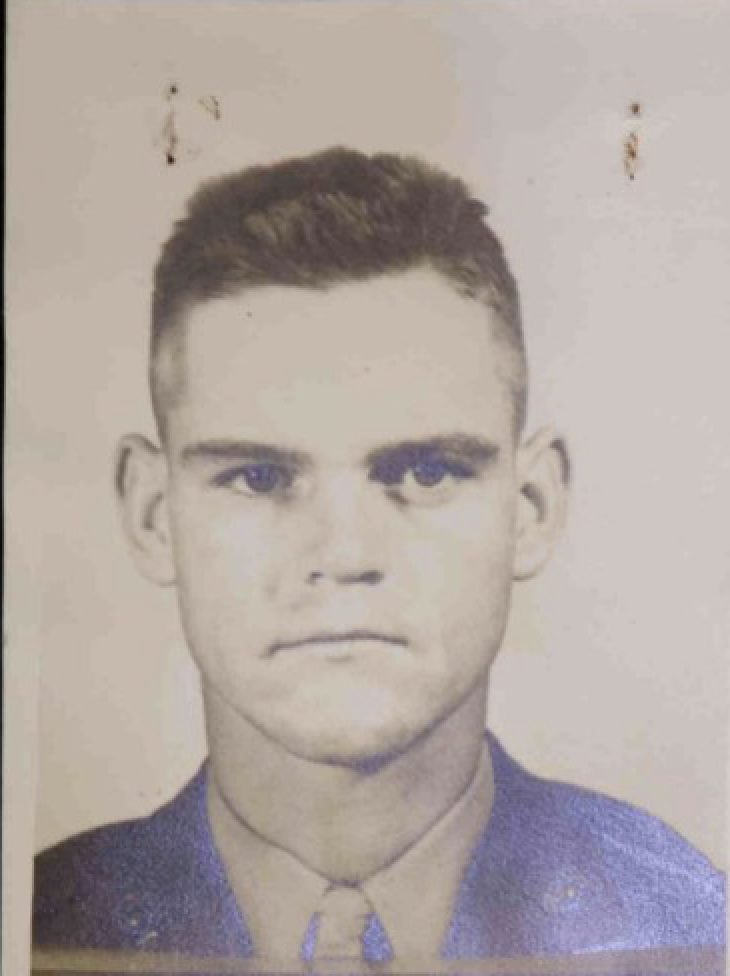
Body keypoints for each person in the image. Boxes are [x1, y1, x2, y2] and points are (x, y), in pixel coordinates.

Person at [33, 149, 725, 964]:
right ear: (153, 514)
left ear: (531, 507)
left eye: (425, 471)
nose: (345, 553)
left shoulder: (695, 930)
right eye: (259, 477)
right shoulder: (40, 926)